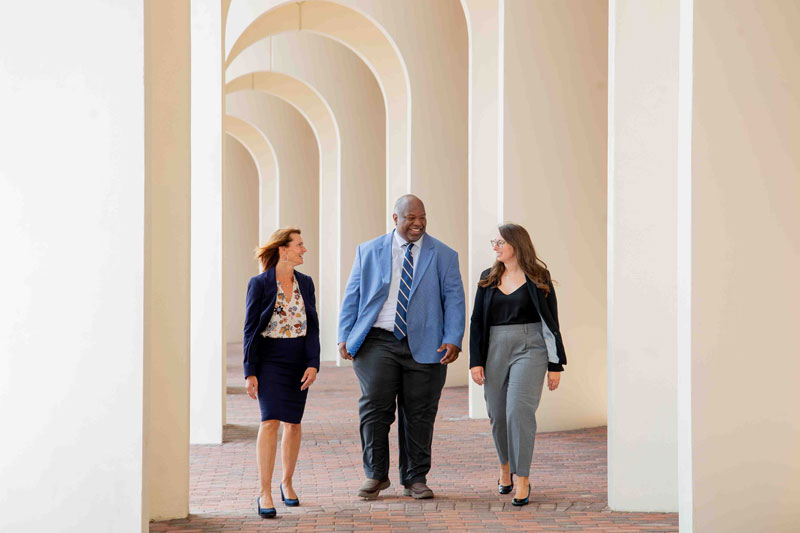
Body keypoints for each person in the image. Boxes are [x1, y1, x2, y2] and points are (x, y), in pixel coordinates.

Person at [338, 195, 465, 500]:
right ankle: (375, 475)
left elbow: (455, 300)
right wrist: (344, 334)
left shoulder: (444, 255)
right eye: (411, 218)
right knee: (375, 407)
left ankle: (415, 477)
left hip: (426, 344)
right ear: (395, 219)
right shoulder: (368, 251)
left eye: (422, 217)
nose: (418, 223)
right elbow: (352, 295)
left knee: (420, 413)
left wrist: (453, 338)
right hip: (377, 340)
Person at [468, 223, 566, 507]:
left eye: (500, 243)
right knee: (498, 413)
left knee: (518, 411)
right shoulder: (488, 278)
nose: (496, 247)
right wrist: (476, 361)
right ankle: (505, 467)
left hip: (531, 346)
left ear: (516, 244)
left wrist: (555, 363)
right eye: (494, 243)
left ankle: (522, 477)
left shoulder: (538, 276)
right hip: (495, 348)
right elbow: (476, 322)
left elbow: (552, 322)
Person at [242, 227, 320, 518]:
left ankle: (286, 482)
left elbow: (312, 326)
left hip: (299, 361)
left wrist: (313, 363)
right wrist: (250, 370)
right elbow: (250, 328)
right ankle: (264, 491)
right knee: (270, 421)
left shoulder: (306, 283)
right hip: (270, 360)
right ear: (283, 249)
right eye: (299, 244)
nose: (304, 249)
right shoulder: (259, 284)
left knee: (294, 423)